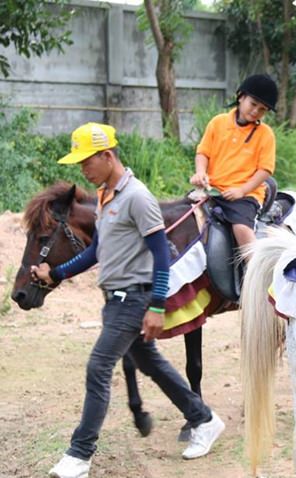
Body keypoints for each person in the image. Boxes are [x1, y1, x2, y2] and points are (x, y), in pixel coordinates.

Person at [32, 122, 225, 478]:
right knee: (151, 364)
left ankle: (79, 454)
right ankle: (204, 419)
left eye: (87, 162)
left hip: (133, 299)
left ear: (107, 156)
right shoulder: (107, 197)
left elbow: (162, 256)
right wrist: (55, 274)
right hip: (114, 300)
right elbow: (96, 253)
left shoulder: (137, 197)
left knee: (98, 366)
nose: (83, 170)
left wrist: (155, 307)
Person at [190, 74, 278, 249]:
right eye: (253, 104)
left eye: (262, 109)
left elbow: (265, 170)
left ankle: (252, 268)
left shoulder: (265, 134)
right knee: (184, 214)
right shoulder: (218, 123)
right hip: (212, 190)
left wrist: (241, 190)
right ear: (241, 96)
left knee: (242, 229)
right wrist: (200, 173)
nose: (255, 111)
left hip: (245, 197)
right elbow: (203, 153)